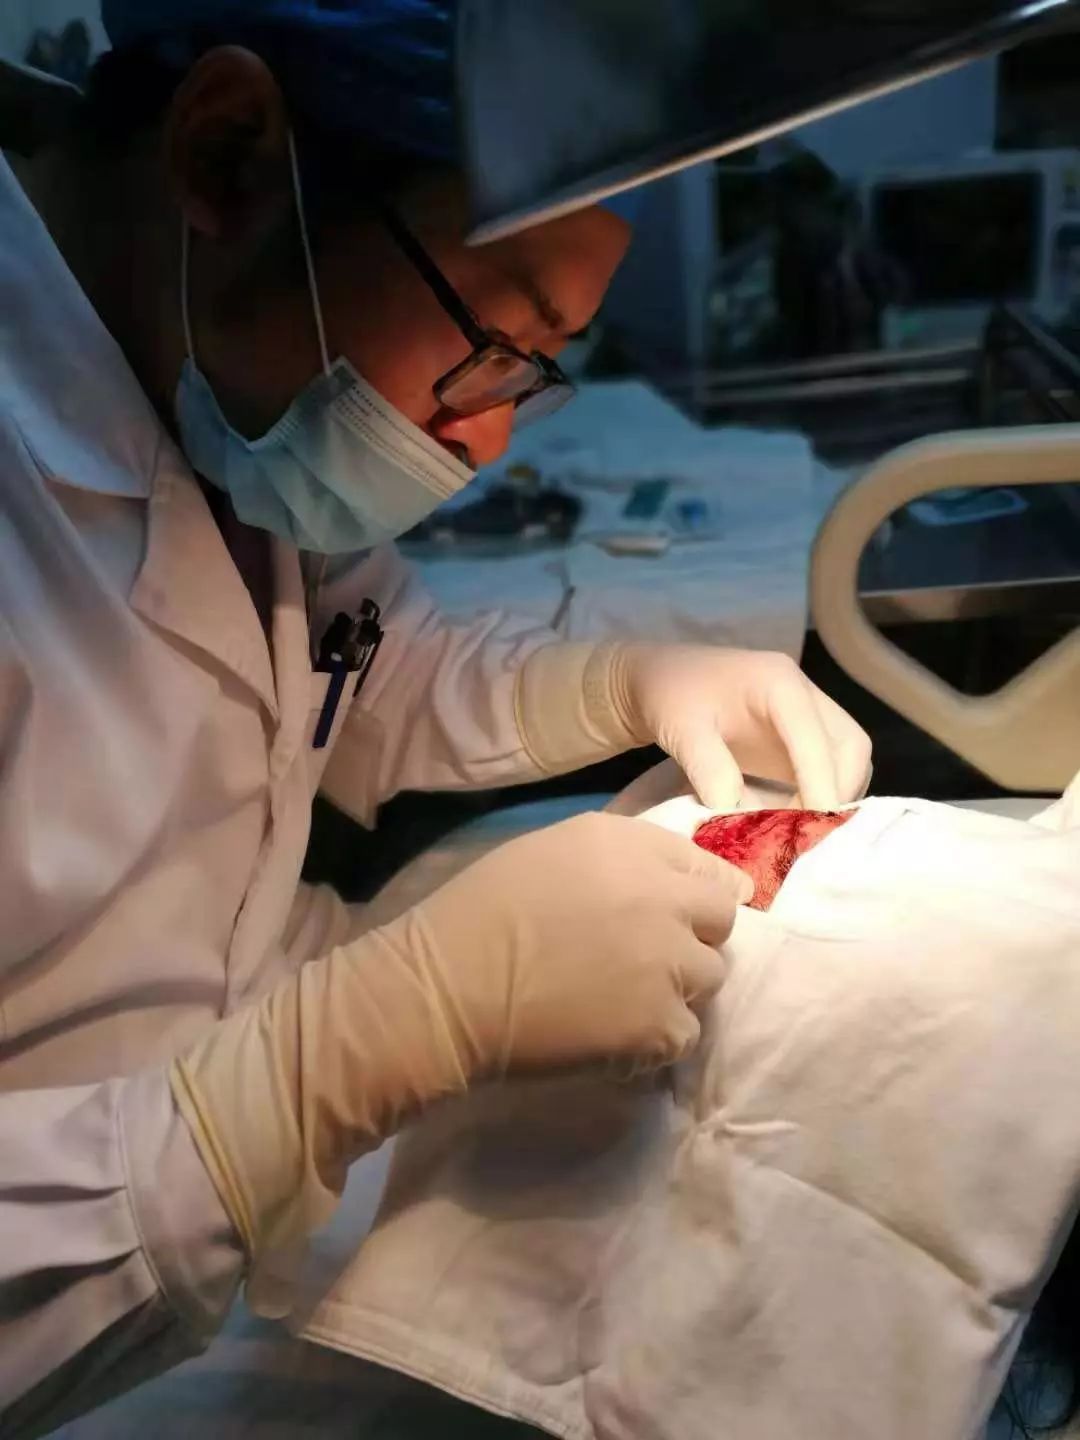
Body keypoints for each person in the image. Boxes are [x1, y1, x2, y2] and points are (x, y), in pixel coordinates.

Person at [0, 2, 871, 1432]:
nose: (490, 438)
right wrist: (330, 1065)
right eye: (492, 335)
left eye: (543, 362)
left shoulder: (211, 374)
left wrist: (620, 683)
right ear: (227, 157)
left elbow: (357, 660)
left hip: (256, 1168)